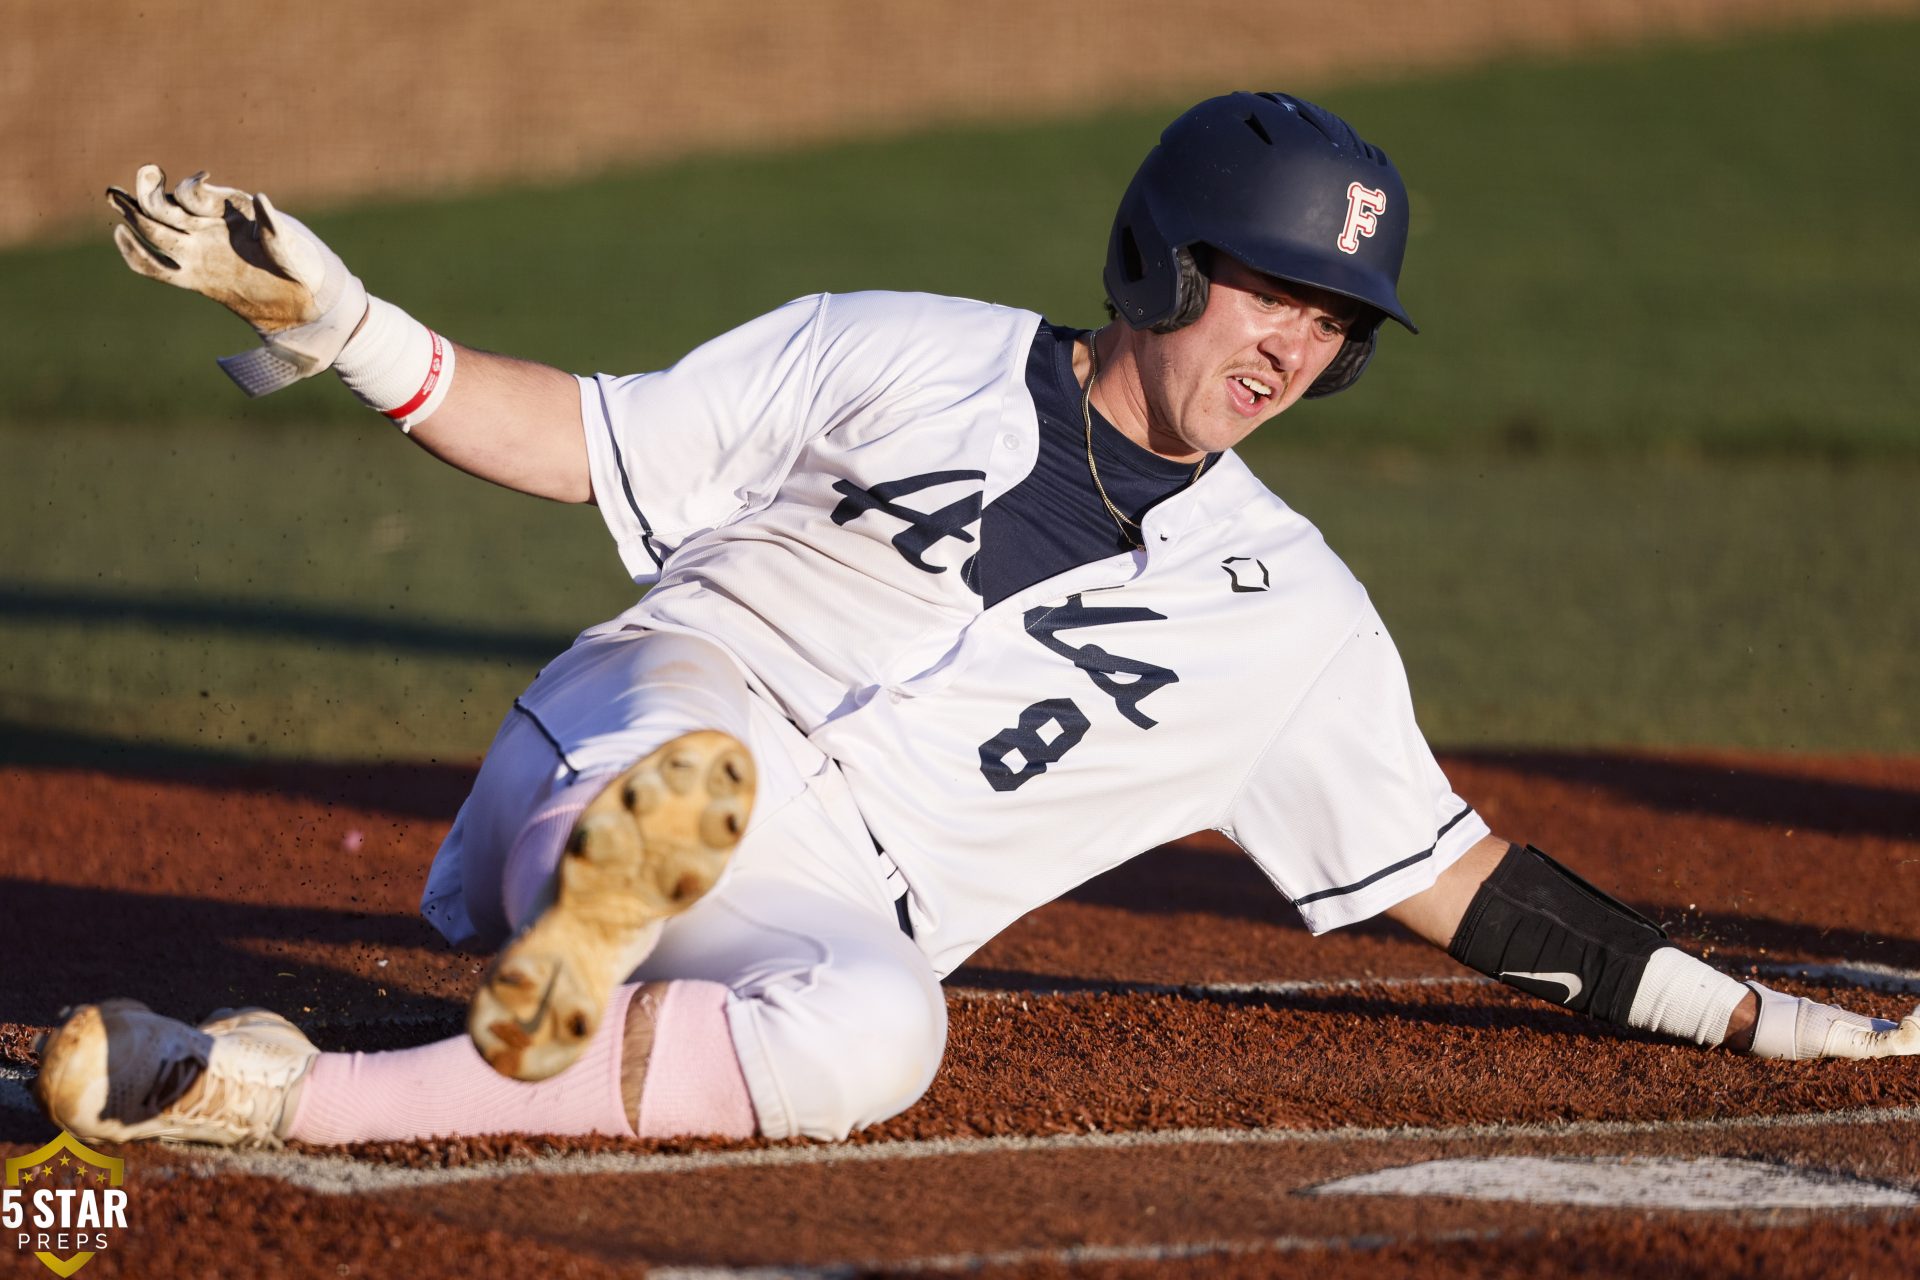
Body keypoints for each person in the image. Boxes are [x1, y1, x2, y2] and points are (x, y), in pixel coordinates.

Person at [35, 92, 1918, 1151]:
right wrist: (345, 324)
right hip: (663, 721)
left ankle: (272, 1087)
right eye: (1271, 292)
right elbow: (583, 440)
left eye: (1337, 324)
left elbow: (1462, 880)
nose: (1297, 347)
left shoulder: (1302, 625)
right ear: (1163, 265)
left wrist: (1744, 1015)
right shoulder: (894, 348)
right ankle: (605, 885)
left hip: (813, 891)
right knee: (691, 746)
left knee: (881, 1034)